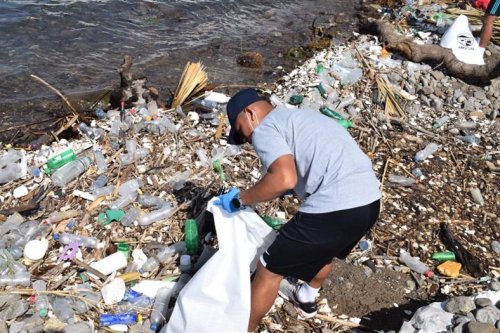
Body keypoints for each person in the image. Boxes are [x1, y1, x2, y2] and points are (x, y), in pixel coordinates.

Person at [215, 88, 381, 333]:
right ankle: (306, 298)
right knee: (323, 250)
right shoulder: (299, 119)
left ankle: (244, 329)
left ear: (251, 114)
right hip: (368, 201)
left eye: (242, 132)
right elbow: (306, 167)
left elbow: (283, 179)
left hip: (336, 204)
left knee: (268, 269)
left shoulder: (265, 128)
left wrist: (241, 199)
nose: (248, 141)